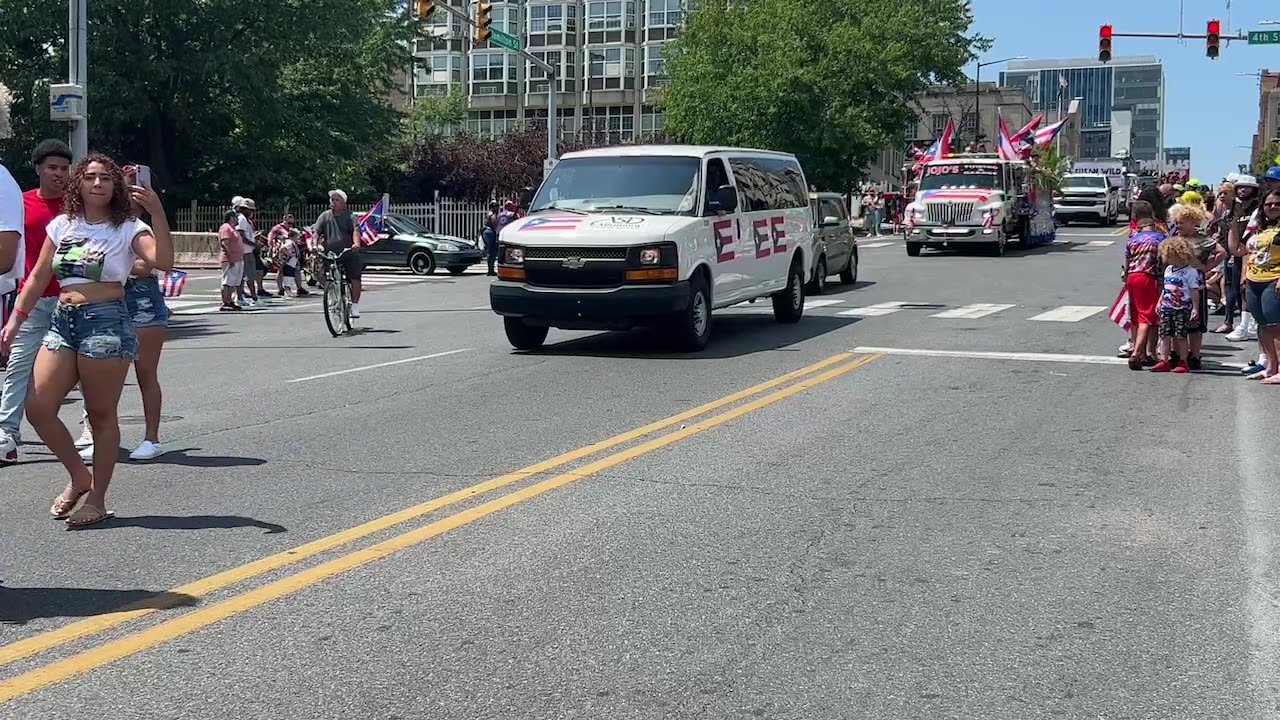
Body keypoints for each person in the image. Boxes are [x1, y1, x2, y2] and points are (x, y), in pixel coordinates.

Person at [0, 153, 173, 527]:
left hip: (106, 323)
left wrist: (156, 212)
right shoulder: (62, 225)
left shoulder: (127, 228)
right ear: (79, 183)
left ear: (116, 187)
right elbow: (36, 276)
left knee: (100, 415)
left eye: (106, 179)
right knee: (39, 407)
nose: (98, 183)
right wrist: (16, 321)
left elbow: (162, 262)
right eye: (90, 177)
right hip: (63, 320)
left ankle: (98, 499)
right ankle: (80, 476)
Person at [0, 140, 70, 462]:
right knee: (17, 366)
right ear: (39, 169)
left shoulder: (77, 206)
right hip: (31, 298)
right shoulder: (22, 202)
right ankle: (7, 434)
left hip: (70, 300)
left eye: (64, 168)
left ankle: (88, 428)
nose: (59, 174)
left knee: (80, 369)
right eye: (52, 167)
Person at [1232, 188, 1280, 382]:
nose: (1273, 207)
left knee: (1275, 325)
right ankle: (1271, 366)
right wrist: (1244, 275)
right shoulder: (1260, 227)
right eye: (1269, 204)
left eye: (1277, 204)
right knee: (1262, 325)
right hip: (1254, 280)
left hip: (1273, 279)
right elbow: (1244, 251)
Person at [1169, 202, 1221, 370]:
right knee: (1176, 321)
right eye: (1177, 222)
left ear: (1193, 222)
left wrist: (1206, 267)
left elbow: (1221, 252)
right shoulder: (1176, 239)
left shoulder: (1203, 239)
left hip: (1195, 287)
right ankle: (1176, 354)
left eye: (1182, 222)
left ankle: (1195, 356)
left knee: (1195, 323)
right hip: (1177, 288)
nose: (1178, 225)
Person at [1123, 200, 1164, 370]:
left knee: (1137, 315)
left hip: (1132, 277)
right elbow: (1163, 263)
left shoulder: (1133, 239)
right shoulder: (1160, 238)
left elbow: (1126, 262)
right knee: (1148, 316)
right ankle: (1138, 353)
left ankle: (1149, 352)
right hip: (1149, 277)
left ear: (1135, 217)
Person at [1151, 235, 1202, 374]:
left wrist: (1195, 308)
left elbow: (1194, 291)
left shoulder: (1190, 272)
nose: (1167, 258)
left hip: (1182, 308)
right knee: (1165, 334)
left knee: (1180, 335)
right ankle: (1164, 360)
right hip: (1167, 307)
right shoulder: (1168, 270)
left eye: (1169, 255)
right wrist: (1159, 301)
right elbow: (1166, 287)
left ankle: (1183, 360)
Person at [312, 189, 363, 317]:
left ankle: (355, 305)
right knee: (324, 274)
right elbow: (316, 232)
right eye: (332, 200)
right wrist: (314, 245)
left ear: (344, 203)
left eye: (337, 200)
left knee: (355, 277)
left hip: (348, 252)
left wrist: (356, 244)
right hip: (329, 253)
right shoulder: (325, 216)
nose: (334, 202)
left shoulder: (350, 216)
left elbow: (356, 231)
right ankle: (333, 296)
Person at [218, 210, 244, 311]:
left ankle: (230, 301)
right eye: (236, 217)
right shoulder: (226, 227)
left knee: (233, 282)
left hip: (237, 259)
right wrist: (231, 258)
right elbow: (224, 243)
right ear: (231, 217)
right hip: (230, 259)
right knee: (227, 281)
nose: (238, 219)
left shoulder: (233, 228)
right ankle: (225, 302)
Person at [482, 202, 499, 276]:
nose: (497, 208)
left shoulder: (488, 214)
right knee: (493, 251)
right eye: (496, 206)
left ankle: (490, 269)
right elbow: (494, 224)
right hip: (491, 232)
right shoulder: (492, 215)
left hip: (486, 232)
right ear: (492, 207)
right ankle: (490, 269)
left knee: (490, 251)